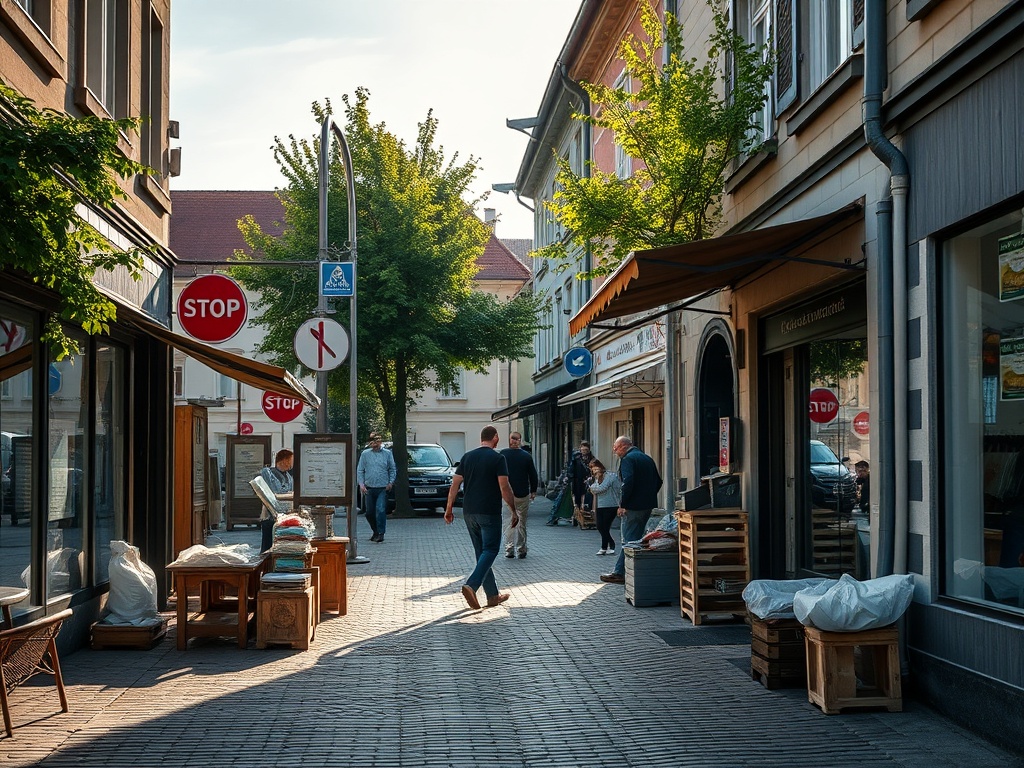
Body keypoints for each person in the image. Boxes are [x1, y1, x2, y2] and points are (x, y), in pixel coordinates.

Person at [445, 425, 518, 609]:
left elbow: (454, 485)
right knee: (491, 550)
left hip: (469, 512)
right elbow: (504, 486)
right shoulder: (498, 458)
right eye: (498, 437)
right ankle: (472, 585)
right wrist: (513, 510)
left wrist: (449, 508)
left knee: (481, 553)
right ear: (494, 437)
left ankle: (493, 596)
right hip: (489, 511)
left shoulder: (467, 457)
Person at [600, 436, 662, 584]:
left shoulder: (628, 459)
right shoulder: (647, 458)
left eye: (616, 448)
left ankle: (620, 572)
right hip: (646, 505)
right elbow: (658, 481)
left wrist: (623, 504)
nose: (614, 451)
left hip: (633, 506)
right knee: (637, 538)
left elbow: (628, 482)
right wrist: (649, 497)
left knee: (629, 540)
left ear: (624, 446)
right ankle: (629, 571)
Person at [500, 431, 539, 559]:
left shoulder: (503, 455)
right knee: (521, 522)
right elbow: (533, 474)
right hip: (522, 493)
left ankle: (509, 548)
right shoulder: (526, 456)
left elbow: (497, 474)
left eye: (516, 439)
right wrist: (533, 491)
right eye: (514, 438)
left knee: (509, 522)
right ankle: (521, 548)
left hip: (507, 494)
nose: (515, 441)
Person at [357, 432, 397, 543]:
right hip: (369, 488)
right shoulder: (365, 454)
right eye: (372, 442)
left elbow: (392, 469)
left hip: (382, 488)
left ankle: (381, 533)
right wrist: (361, 484)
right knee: (369, 512)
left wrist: (390, 482)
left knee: (380, 510)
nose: (374, 445)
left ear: (380, 442)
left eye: (376, 442)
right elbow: (360, 470)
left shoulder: (387, 454)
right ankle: (375, 530)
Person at [259, 448, 293, 552]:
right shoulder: (268, 473)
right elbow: (274, 492)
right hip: (270, 516)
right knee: (267, 549)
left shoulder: (289, 476)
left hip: (285, 515)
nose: (292, 464)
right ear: (284, 460)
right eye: (291, 460)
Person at [587, 459, 621, 556]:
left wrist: (592, 488)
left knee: (605, 526)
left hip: (611, 504)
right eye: (593, 469)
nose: (595, 471)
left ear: (601, 466)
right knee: (600, 526)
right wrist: (593, 488)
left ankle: (604, 547)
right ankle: (610, 544)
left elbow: (602, 488)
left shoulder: (610, 476)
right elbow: (595, 489)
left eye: (596, 468)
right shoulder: (597, 478)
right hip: (600, 505)